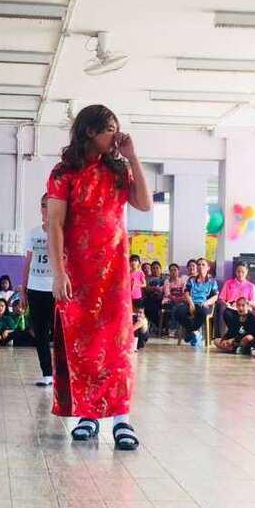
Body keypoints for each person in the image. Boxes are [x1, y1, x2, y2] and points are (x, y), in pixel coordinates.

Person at [47, 103, 152, 450]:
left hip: (116, 275)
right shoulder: (64, 173)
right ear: (90, 131)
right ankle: (88, 416)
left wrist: (132, 157)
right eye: (110, 129)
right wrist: (59, 272)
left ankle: (122, 419)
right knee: (85, 347)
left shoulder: (118, 170)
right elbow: (55, 225)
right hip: (78, 274)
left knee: (119, 346)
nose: (116, 135)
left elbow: (144, 203)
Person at [21, 193, 56, 387]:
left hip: (55, 290)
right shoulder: (33, 233)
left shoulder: (61, 232)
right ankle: (47, 374)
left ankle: (61, 375)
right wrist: (23, 290)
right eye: (43, 205)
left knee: (59, 334)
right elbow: (27, 262)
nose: (45, 209)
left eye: (49, 205)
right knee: (40, 333)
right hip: (35, 289)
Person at [175, 258, 219, 348]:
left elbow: (215, 296)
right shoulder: (191, 279)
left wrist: (206, 302)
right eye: (199, 264)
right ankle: (194, 332)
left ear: (208, 268)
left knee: (201, 312)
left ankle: (191, 332)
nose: (200, 266)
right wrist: (191, 303)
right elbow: (186, 293)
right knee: (178, 311)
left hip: (204, 304)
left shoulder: (212, 281)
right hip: (191, 303)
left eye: (203, 264)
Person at [218, 261, 255, 335]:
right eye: (238, 271)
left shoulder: (251, 286)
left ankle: (237, 335)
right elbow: (221, 298)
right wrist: (226, 304)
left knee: (250, 317)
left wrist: (247, 303)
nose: (240, 274)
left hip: (245, 310)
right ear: (235, 272)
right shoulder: (228, 283)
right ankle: (237, 335)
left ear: (246, 271)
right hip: (232, 309)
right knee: (227, 314)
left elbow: (254, 302)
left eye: (243, 272)